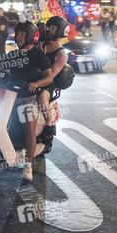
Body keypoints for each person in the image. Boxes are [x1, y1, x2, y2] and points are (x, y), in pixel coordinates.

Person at [0, 21, 53, 180]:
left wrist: (36, 84)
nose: (19, 37)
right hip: (9, 95)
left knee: (28, 128)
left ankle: (28, 165)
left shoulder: (39, 56)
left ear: (31, 36)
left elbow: (48, 77)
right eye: (18, 34)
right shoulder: (13, 54)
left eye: (23, 34)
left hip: (27, 97)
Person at [37, 16, 68, 146]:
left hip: (49, 83)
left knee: (42, 98)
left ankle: (49, 127)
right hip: (33, 78)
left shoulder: (61, 54)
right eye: (48, 27)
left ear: (60, 32)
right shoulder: (43, 45)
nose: (49, 30)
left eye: (53, 28)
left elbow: (51, 75)